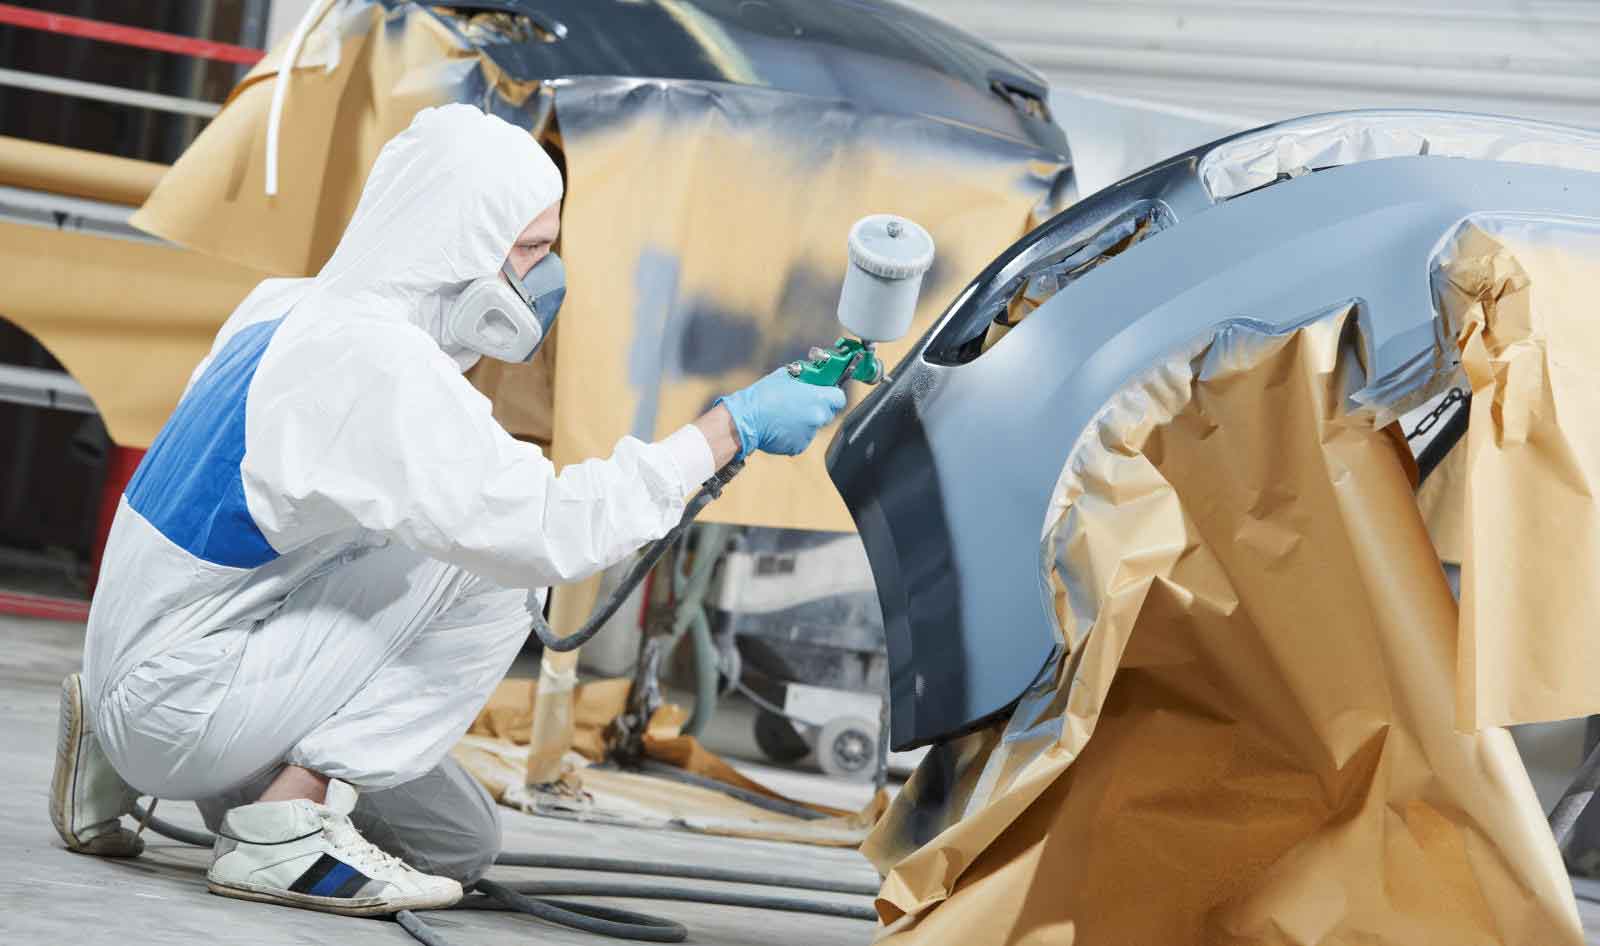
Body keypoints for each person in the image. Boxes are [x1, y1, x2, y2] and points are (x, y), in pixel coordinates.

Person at [48, 104, 845, 916]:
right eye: (531, 249)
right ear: (454, 244)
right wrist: (728, 428)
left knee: (454, 845)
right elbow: (551, 532)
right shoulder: (374, 363)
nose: (545, 275)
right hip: (186, 709)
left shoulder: (284, 308)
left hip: (143, 666)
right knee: (495, 566)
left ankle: (110, 758)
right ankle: (284, 828)